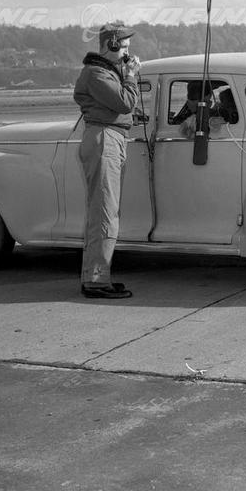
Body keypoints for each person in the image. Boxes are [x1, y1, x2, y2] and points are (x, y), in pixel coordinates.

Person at [73, 24, 141, 299]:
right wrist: (131, 76)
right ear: (110, 45)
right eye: (123, 47)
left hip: (111, 137)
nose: (127, 53)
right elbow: (125, 102)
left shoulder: (106, 72)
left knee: (104, 211)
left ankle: (95, 276)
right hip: (105, 139)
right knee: (104, 213)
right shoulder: (96, 73)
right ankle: (96, 281)